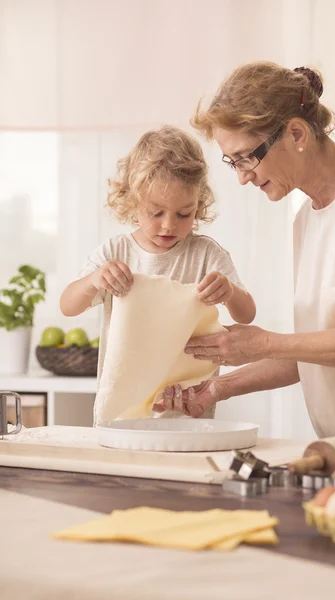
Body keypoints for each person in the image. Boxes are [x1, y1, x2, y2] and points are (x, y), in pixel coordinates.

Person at [153, 62, 335, 437]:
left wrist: (265, 342)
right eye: (232, 162)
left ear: (297, 133)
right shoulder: (306, 219)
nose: (242, 176)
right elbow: (316, 353)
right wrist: (216, 388)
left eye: (246, 157)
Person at [60, 125, 256, 418]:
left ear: (198, 204)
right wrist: (93, 280)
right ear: (132, 199)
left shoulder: (206, 254)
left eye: (183, 214)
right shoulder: (116, 253)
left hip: (191, 411)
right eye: (156, 212)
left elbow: (246, 315)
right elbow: (68, 306)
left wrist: (229, 292)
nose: (169, 225)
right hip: (124, 411)